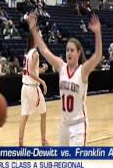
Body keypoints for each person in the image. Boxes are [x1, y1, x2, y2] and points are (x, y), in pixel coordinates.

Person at [27, 13, 102, 146]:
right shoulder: (61, 66)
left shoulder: (82, 71)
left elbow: (97, 56)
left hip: (79, 125)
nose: (68, 53)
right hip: (64, 124)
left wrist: (97, 33)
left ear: (78, 53)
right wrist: (33, 29)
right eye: (67, 50)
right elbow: (44, 50)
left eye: (72, 50)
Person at [19, 31, 49, 146]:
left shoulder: (27, 53)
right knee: (43, 112)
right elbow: (31, 73)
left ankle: (20, 143)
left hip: (24, 87)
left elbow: (30, 71)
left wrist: (42, 70)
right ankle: (43, 141)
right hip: (32, 88)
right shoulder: (35, 53)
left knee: (24, 115)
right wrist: (42, 82)